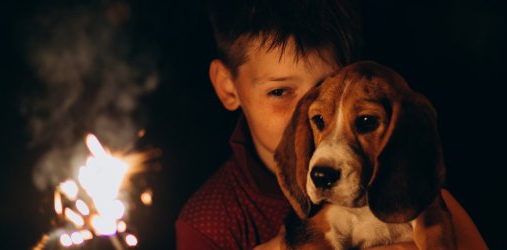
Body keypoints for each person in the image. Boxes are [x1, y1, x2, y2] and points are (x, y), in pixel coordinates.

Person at [176, 0, 487, 249]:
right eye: (280, 91)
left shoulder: (415, 187)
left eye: (327, 88)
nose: (304, 112)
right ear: (228, 87)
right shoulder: (208, 224)